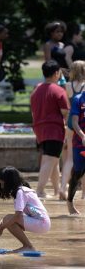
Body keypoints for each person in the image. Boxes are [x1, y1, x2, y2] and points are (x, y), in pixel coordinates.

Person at [30, 60, 69, 198]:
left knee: (53, 160)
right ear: (56, 73)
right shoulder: (58, 90)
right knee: (49, 160)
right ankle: (40, 190)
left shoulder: (36, 90)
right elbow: (65, 111)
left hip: (39, 130)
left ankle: (57, 191)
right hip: (54, 129)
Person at [0, 167, 50, 253]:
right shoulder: (21, 190)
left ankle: (28, 246)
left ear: (9, 182)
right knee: (7, 219)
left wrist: (1, 228)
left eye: (2, 183)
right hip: (41, 222)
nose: (1, 186)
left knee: (8, 219)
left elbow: (17, 216)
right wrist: (1, 223)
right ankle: (27, 246)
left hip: (42, 223)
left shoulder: (21, 192)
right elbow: (17, 216)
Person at [61, 60, 85, 200]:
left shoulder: (67, 85)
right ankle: (83, 194)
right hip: (82, 122)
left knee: (69, 158)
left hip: (70, 120)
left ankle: (63, 189)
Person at [67, 68, 85, 214]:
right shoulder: (78, 99)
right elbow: (74, 121)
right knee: (78, 173)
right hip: (80, 144)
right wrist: (82, 135)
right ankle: (70, 202)